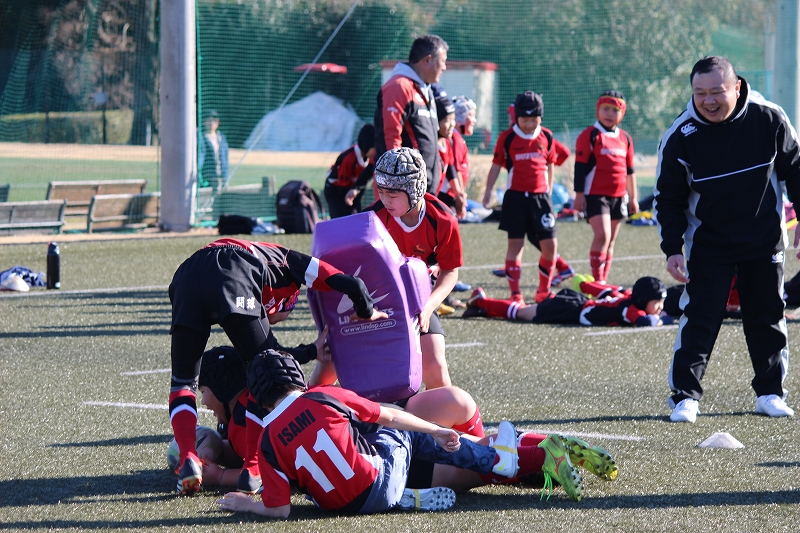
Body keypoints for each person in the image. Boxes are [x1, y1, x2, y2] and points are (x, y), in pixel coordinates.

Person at [215, 350, 583, 517]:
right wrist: (436, 430)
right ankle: (501, 461)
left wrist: (246, 504)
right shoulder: (323, 396)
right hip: (379, 481)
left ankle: (405, 496)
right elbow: (391, 416)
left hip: (340, 508)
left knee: (313, 477)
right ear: (296, 377)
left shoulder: (266, 440)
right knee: (406, 430)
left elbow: (279, 509)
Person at [168, 237, 386, 495]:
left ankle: (188, 458)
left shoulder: (265, 265)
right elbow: (353, 284)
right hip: (233, 265)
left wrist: (309, 351)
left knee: (182, 383)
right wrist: (366, 309)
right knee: (262, 373)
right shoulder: (287, 262)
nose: (273, 320)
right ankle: (253, 468)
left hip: (186, 275)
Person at [654, 55, 800, 423]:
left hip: (763, 239)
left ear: (737, 87)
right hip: (709, 243)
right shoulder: (680, 134)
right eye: (700, 93)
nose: (709, 100)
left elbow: (796, 169)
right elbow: (667, 197)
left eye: (717, 91)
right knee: (700, 317)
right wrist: (672, 248)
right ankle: (685, 397)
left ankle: (770, 393)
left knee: (767, 314)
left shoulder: (769, 118)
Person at [367, 147, 463, 389]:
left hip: (420, 292)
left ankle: (445, 414)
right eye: (381, 191)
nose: (385, 200)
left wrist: (429, 307)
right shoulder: (370, 219)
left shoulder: (443, 220)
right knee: (353, 365)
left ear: (415, 189)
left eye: (393, 193)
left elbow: (450, 271)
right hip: (379, 292)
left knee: (435, 368)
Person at [482, 91, 562, 304]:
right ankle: (515, 294)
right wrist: (488, 191)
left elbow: (550, 164)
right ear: (517, 117)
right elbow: (496, 165)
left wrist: (549, 190)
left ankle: (543, 291)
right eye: (524, 120)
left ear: (541, 117)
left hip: (541, 199)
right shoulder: (507, 137)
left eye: (534, 119)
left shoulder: (547, 136)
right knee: (516, 246)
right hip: (515, 199)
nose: (529, 124)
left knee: (550, 246)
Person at [573, 91, 638, 283]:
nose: (609, 114)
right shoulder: (590, 135)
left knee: (610, 241)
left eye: (615, 110)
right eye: (605, 109)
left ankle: (603, 281)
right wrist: (579, 195)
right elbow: (580, 168)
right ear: (598, 110)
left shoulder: (625, 138)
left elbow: (630, 171)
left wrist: (633, 198)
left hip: (619, 196)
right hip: (595, 195)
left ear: (622, 114)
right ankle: (598, 281)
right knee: (602, 235)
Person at [374, 34, 448, 196]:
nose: (444, 67)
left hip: (423, 189)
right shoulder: (399, 87)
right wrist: (395, 186)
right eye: (442, 61)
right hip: (404, 193)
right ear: (427, 60)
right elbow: (390, 137)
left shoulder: (426, 90)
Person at [463, 276, 667, 328]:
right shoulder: (631, 309)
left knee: (523, 312)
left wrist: (586, 285)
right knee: (520, 313)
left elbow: (606, 289)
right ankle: (482, 302)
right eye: (657, 303)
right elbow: (646, 322)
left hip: (575, 305)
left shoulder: (628, 298)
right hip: (570, 309)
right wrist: (662, 320)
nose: (660, 308)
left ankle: (483, 308)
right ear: (642, 300)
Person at [323, 124, 376, 218]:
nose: (376, 151)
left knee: (357, 216)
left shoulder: (369, 160)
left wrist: (355, 205)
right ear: (367, 145)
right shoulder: (349, 159)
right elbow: (343, 186)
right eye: (374, 148)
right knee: (340, 219)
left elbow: (361, 185)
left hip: (350, 190)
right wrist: (351, 207)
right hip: (335, 190)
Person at [435, 94, 467, 218]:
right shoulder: (429, 147)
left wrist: (459, 195)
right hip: (432, 196)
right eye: (447, 120)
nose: (452, 124)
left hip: (443, 195)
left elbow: (450, 169)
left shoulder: (447, 142)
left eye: (453, 119)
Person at [198, 109, 229, 191]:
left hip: (222, 176)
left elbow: (225, 158)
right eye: (209, 120)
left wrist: (226, 175)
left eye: (214, 121)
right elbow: (201, 156)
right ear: (204, 122)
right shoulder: (201, 137)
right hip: (208, 177)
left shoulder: (221, 138)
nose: (211, 123)